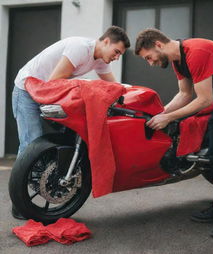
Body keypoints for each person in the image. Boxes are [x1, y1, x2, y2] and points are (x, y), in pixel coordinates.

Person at [135, 28, 213, 239]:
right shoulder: (177, 60)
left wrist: (169, 118)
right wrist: (160, 114)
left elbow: (204, 100)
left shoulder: (196, 52)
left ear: (158, 45)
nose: (150, 62)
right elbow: (184, 94)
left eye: (149, 57)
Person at [11, 26, 130, 219]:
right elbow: (54, 80)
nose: (117, 57)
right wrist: (89, 85)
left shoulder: (101, 61)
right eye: (117, 52)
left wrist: (129, 90)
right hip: (26, 90)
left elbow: (114, 87)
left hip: (45, 93)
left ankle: (56, 176)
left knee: (60, 139)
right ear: (106, 41)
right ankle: (20, 204)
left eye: (120, 55)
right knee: (30, 145)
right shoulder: (80, 47)